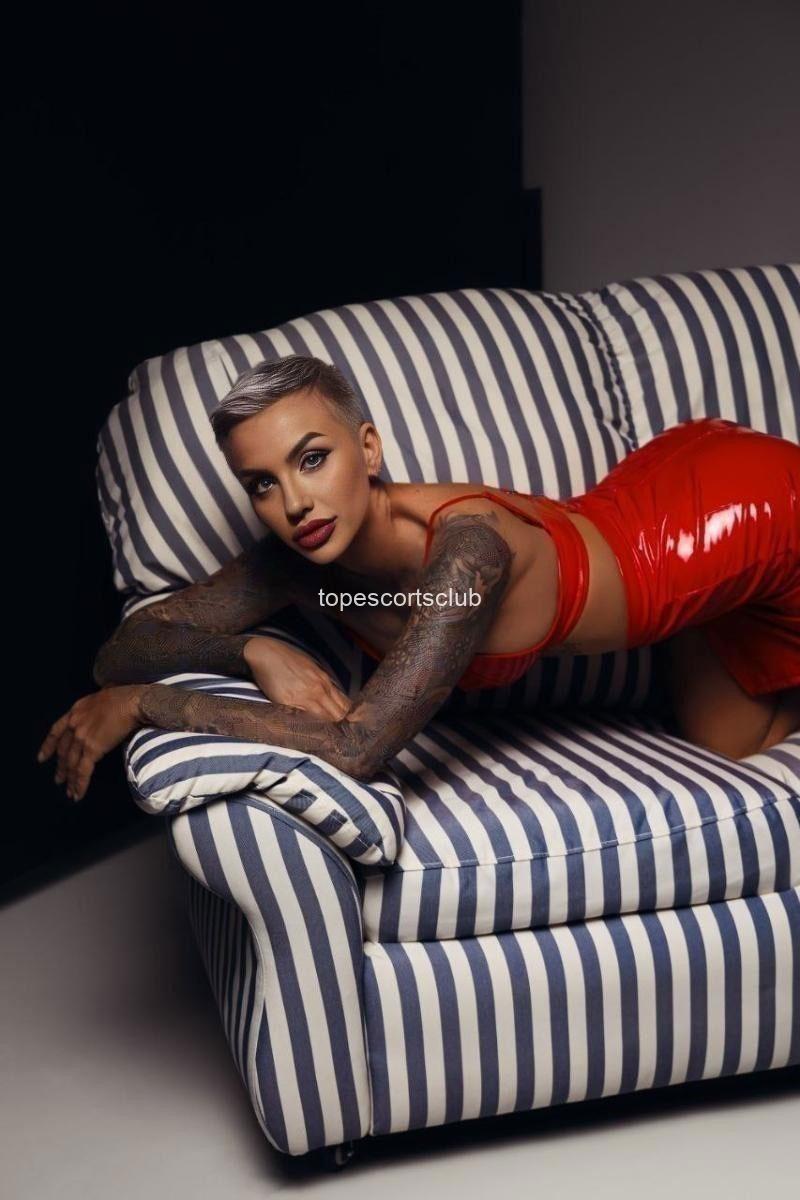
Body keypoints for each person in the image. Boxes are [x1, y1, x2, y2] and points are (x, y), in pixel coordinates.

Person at [38, 355, 800, 801]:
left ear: (367, 449)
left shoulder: (468, 555)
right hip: (664, 539)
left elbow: (357, 746)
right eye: (262, 483)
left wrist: (144, 705)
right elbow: (125, 649)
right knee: (729, 745)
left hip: (751, 515)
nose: (294, 502)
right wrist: (252, 651)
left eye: (313, 459)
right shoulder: (298, 558)